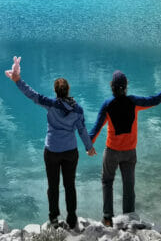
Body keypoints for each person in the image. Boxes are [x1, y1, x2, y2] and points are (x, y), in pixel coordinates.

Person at [6, 56, 96, 229]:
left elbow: (32, 94)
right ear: (68, 90)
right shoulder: (78, 110)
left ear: (56, 91)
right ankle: (71, 219)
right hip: (70, 152)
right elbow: (82, 130)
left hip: (52, 151)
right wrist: (89, 148)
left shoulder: (50, 104)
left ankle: (53, 219)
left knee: (52, 186)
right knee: (70, 186)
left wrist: (17, 80)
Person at [89, 70, 161, 226]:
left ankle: (107, 218)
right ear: (126, 87)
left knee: (107, 181)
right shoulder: (134, 102)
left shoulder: (107, 104)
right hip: (129, 152)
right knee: (129, 185)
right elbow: (155, 100)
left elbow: (96, 127)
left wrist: (88, 145)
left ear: (111, 86)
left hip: (112, 151)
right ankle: (129, 218)